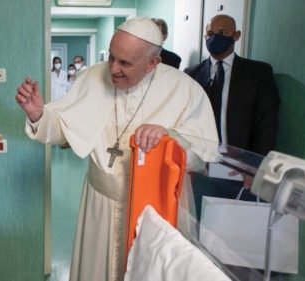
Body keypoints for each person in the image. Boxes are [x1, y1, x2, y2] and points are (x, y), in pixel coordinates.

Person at [15, 17, 217, 281]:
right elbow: (62, 126)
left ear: (152, 63)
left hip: (156, 208)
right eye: (111, 57)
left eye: (125, 63)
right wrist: (38, 114)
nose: (113, 69)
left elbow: (203, 153)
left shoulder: (186, 90)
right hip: (100, 203)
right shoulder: (91, 77)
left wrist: (171, 137)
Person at [184, 14, 280, 156]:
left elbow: (266, 124)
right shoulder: (191, 73)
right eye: (210, 34)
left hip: (240, 163)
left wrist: (255, 166)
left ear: (236, 35)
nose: (214, 38)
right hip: (200, 159)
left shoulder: (258, 73)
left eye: (222, 33)